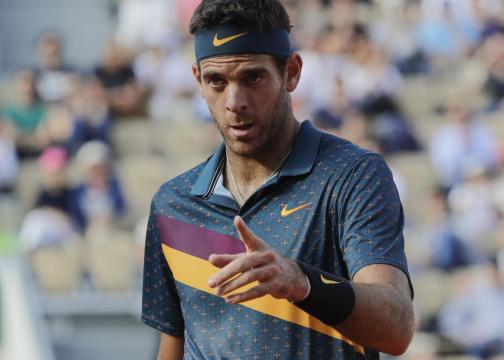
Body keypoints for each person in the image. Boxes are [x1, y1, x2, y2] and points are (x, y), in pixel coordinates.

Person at [141, 1, 414, 359]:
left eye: (252, 77)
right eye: (216, 82)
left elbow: (396, 329)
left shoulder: (353, 175)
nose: (234, 102)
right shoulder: (171, 203)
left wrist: (302, 283)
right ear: (197, 79)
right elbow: (171, 348)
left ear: (292, 72)